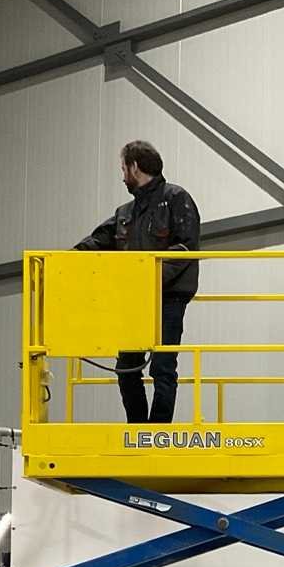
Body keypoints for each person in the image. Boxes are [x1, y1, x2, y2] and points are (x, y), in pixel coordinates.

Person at [74, 140, 201, 424]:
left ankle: (156, 432)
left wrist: (147, 277)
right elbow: (98, 240)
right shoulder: (125, 213)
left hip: (169, 297)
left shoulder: (176, 199)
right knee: (127, 367)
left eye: (123, 169)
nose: (122, 177)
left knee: (162, 367)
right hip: (134, 299)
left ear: (134, 167)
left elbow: (186, 247)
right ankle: (137, 429)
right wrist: (67, 258)